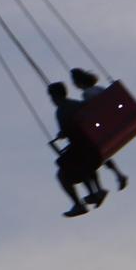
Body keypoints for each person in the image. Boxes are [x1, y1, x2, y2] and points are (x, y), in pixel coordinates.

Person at [49, 81, 106, 217]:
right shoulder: (77, 104)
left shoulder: (61, 111)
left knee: (63, 171)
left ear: (55, 97)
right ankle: (95, 192)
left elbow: (69, 130)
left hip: (84, 150)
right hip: (93, 148)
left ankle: (79, 203)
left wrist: (62, 134)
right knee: (78, 161)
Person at [69, 68, 130, 193]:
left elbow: (92, 110)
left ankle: (106, 183)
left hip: (102, 125)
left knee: (94, 153)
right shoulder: (100, 89)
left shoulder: (87, 94)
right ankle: (118, 175)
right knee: (103, 154)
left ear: (79, 82)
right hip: (111, 121)